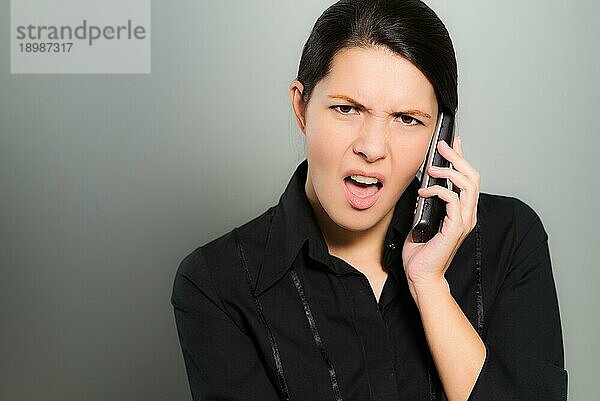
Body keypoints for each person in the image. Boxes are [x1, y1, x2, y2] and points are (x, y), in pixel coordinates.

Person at [171, 0, 568, 400]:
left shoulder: (509, 239)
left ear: (439, 137)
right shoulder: (217, 284)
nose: (373, 148)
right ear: (301, 107)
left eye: (407, 119)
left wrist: (428, 287)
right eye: (347, 108)